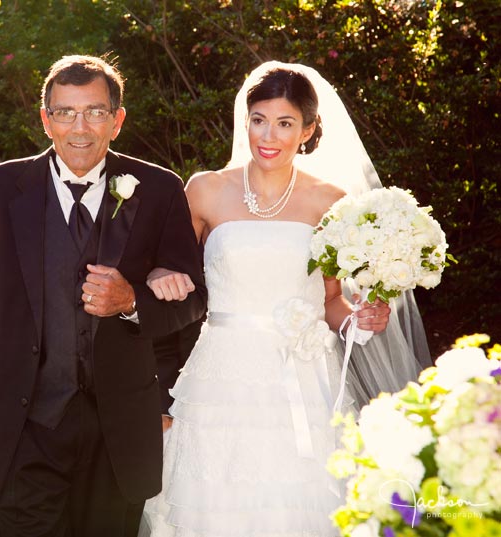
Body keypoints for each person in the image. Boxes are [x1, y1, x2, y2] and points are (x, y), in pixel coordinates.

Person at [0, 54, 207, 537]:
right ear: (45, 120)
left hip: (120, 431)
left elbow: (194, 300)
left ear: (117, 121)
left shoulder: (159, 190)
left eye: (95, 112)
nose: (80, 127)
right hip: (26, 426)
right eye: (65, 113)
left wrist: (133, 301)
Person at [139, 62, 424, 536]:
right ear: (245, 120)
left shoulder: (330, 201)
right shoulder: (204, 190)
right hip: (221, 378)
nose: (268, 135)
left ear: (308, 130)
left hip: (305, 377)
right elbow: (170, 271)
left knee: (301, 505)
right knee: (214, 502)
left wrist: (359, 319)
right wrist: (160, 272)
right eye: (259, 120)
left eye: (285, 123)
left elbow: (332, 301)